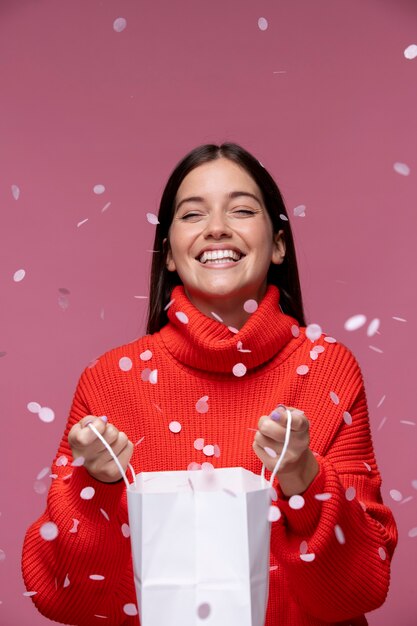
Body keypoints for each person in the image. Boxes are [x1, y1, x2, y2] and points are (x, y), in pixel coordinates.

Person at [22, 143, 397, 626]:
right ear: (170, 254)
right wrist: (96, 484)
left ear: (278, 244)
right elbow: (60, 598)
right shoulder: (109, 382)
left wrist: (303, 476)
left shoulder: (328, 368)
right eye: (192, 214)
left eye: (241, 209)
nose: (216, 227)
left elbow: (360, 587)